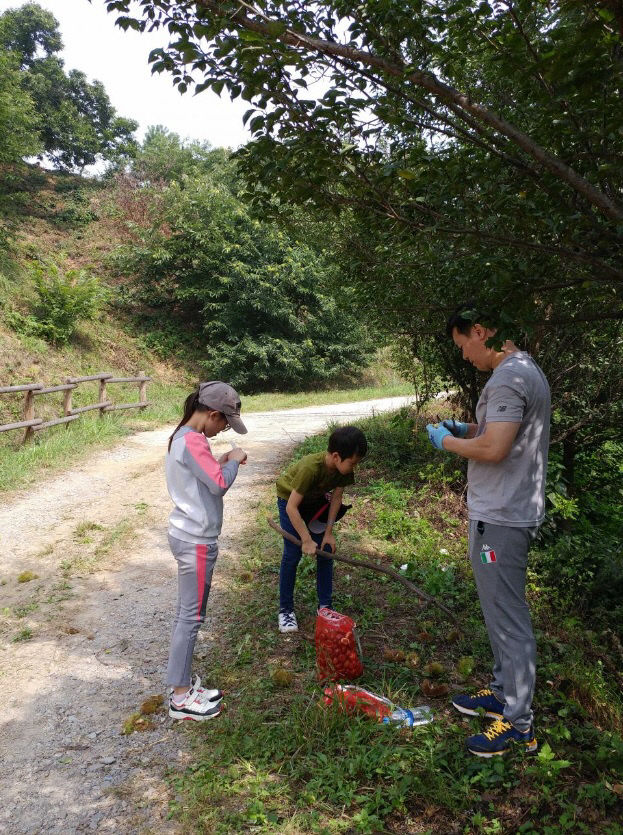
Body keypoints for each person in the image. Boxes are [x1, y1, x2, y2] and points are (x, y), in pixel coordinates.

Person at [426, 303, 550, 757]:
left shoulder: (508, 377)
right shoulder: (522, 370)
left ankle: (518, 723)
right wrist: (468, 427)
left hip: (502, 516)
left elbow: (496, 449)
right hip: (500, 512)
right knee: (499, 611)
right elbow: (501, 432)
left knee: (508, 617)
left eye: (463, 346)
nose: (464, 357)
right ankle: (501, 693)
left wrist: (449, 442)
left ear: (479, 331)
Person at [165, 381, 248, 721]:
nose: (224, 428)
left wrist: (222, 459)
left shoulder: (183, 437)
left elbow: (203, 474)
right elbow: (218, 484)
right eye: (224, 422)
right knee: (191, 618)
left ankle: (182, 684)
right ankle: (181, 698)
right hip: (196, 542)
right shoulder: (195, 441)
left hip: (187, 536)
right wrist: (235, 460)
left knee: (188, 615)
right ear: (212, 414)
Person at [275, 425, 368, 633]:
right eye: (353, 463)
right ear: (336, 456)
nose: (354, 468)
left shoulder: (343, 471)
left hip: (314, 501)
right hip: (290, 500)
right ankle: (286, 610)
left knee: (326, 550)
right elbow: (291, 507)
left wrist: (328, 533)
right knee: (292, 555)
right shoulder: (311, 468)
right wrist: (306, 539)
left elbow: (336, 498)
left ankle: (325, 607)